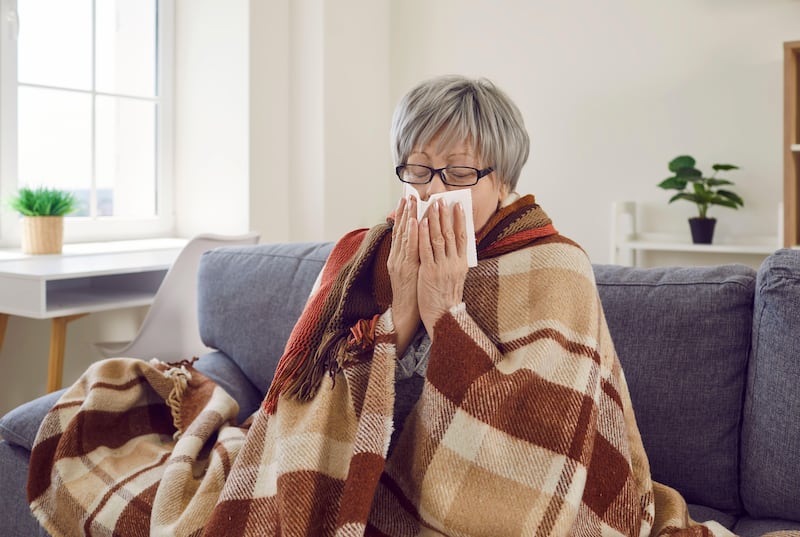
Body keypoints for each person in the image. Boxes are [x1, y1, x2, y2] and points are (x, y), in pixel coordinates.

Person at [29, 75, 737, 537]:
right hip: (365, 472)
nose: (432, 190)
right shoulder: (361, 256)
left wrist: (450, 314)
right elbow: (298, 403)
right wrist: (397, 320)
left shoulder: (556, 266)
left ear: (505, 178)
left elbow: (540, 432)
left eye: (458, 172)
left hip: (465, 494)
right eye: (418, 170)